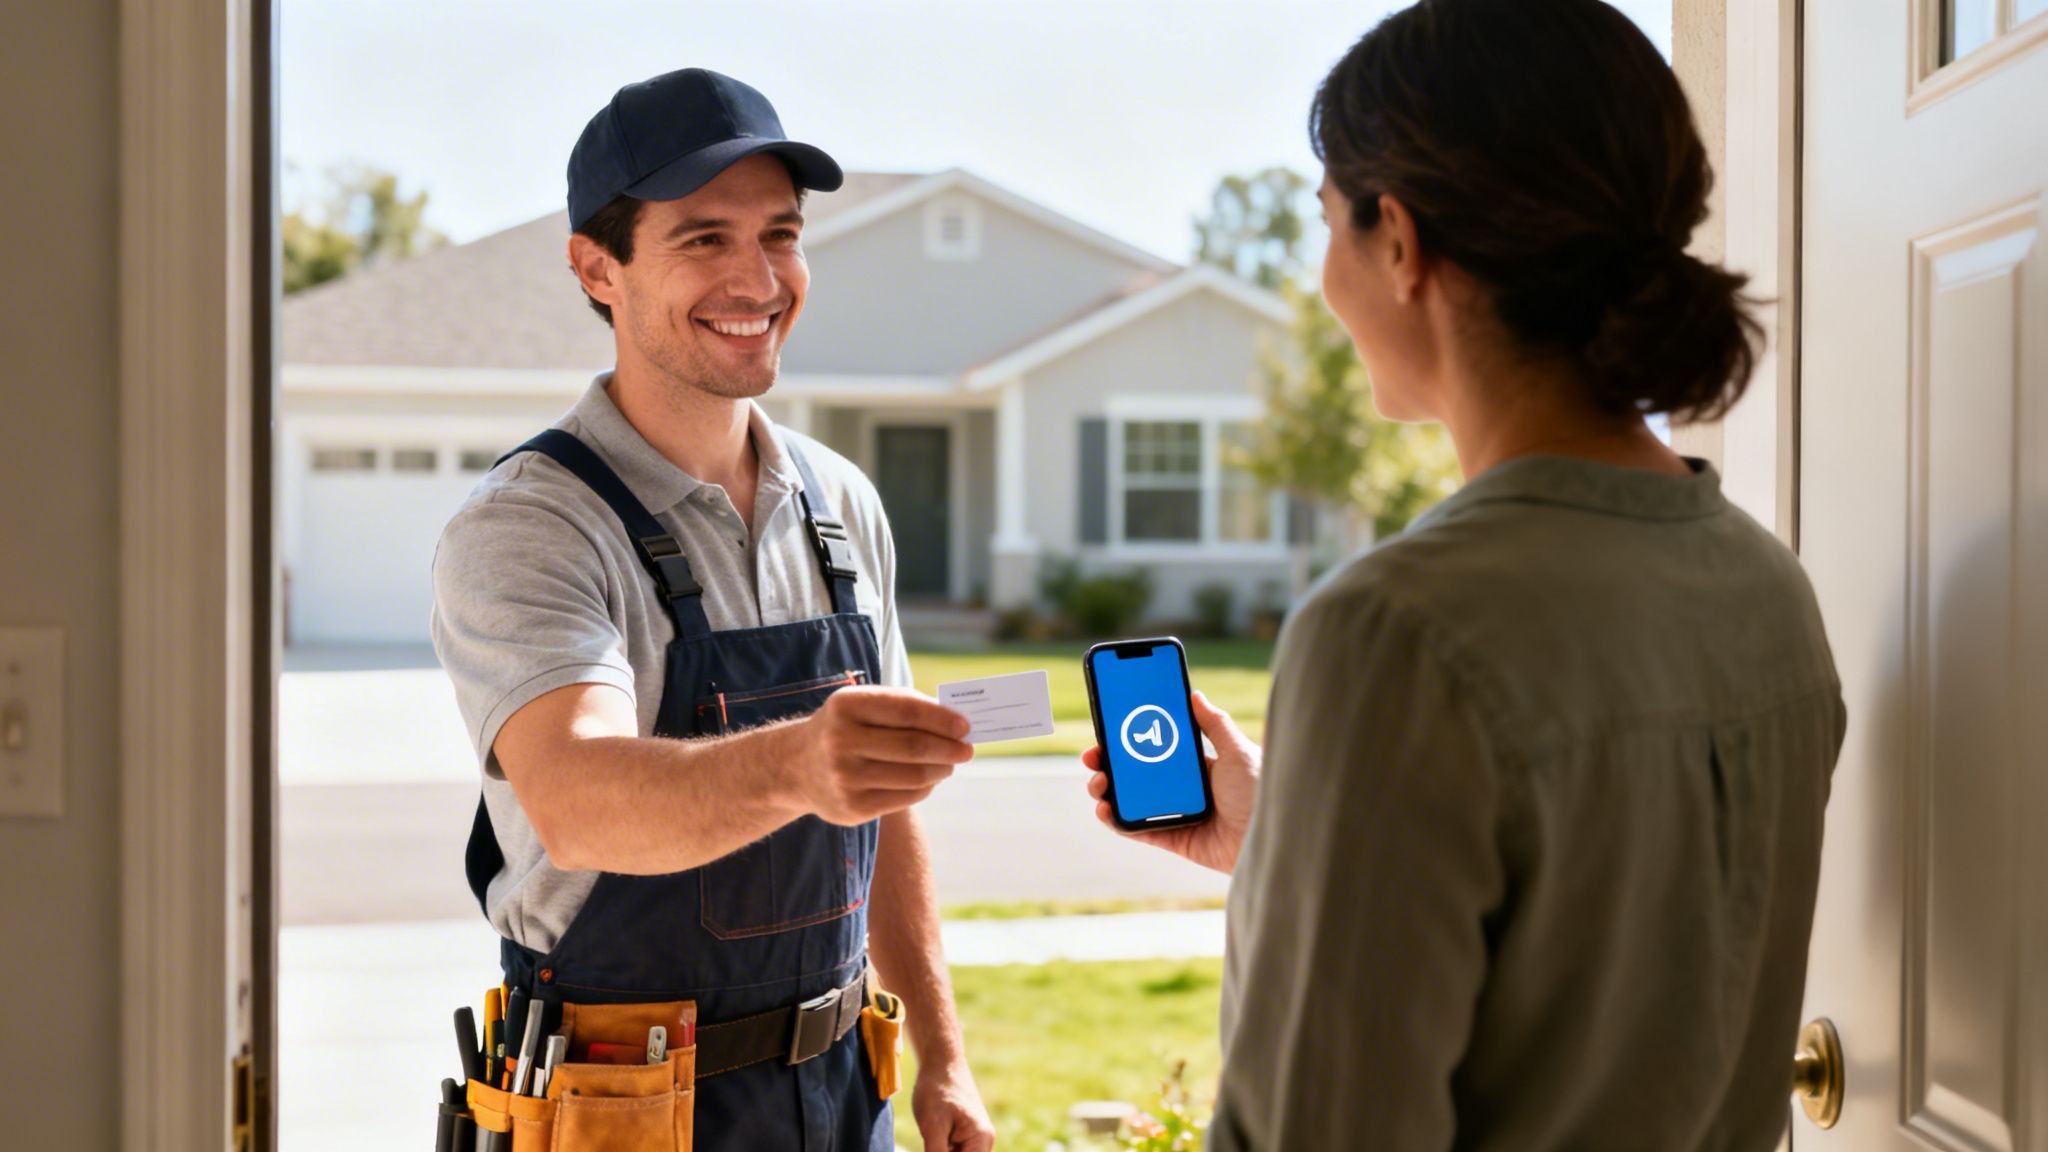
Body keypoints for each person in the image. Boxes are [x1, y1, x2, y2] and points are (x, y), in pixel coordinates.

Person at [1084, 2, 1844, 1147]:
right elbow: (1604, 966)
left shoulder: (1395, 631)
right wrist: (1291, 840)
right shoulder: (1761, 584)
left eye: (1326, 223)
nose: (1324, 282)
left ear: (1396, 239)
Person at [433, 68, 994, 1151]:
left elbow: (878, 803)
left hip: (843, 1094)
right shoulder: (530, 526)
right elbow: (580, 798)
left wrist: (943, 1056)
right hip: (617, 1111)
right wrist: (798, 765)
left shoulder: (840, 505)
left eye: (779, 235)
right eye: (702, 240)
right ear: (598, 269)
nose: (757, 277)